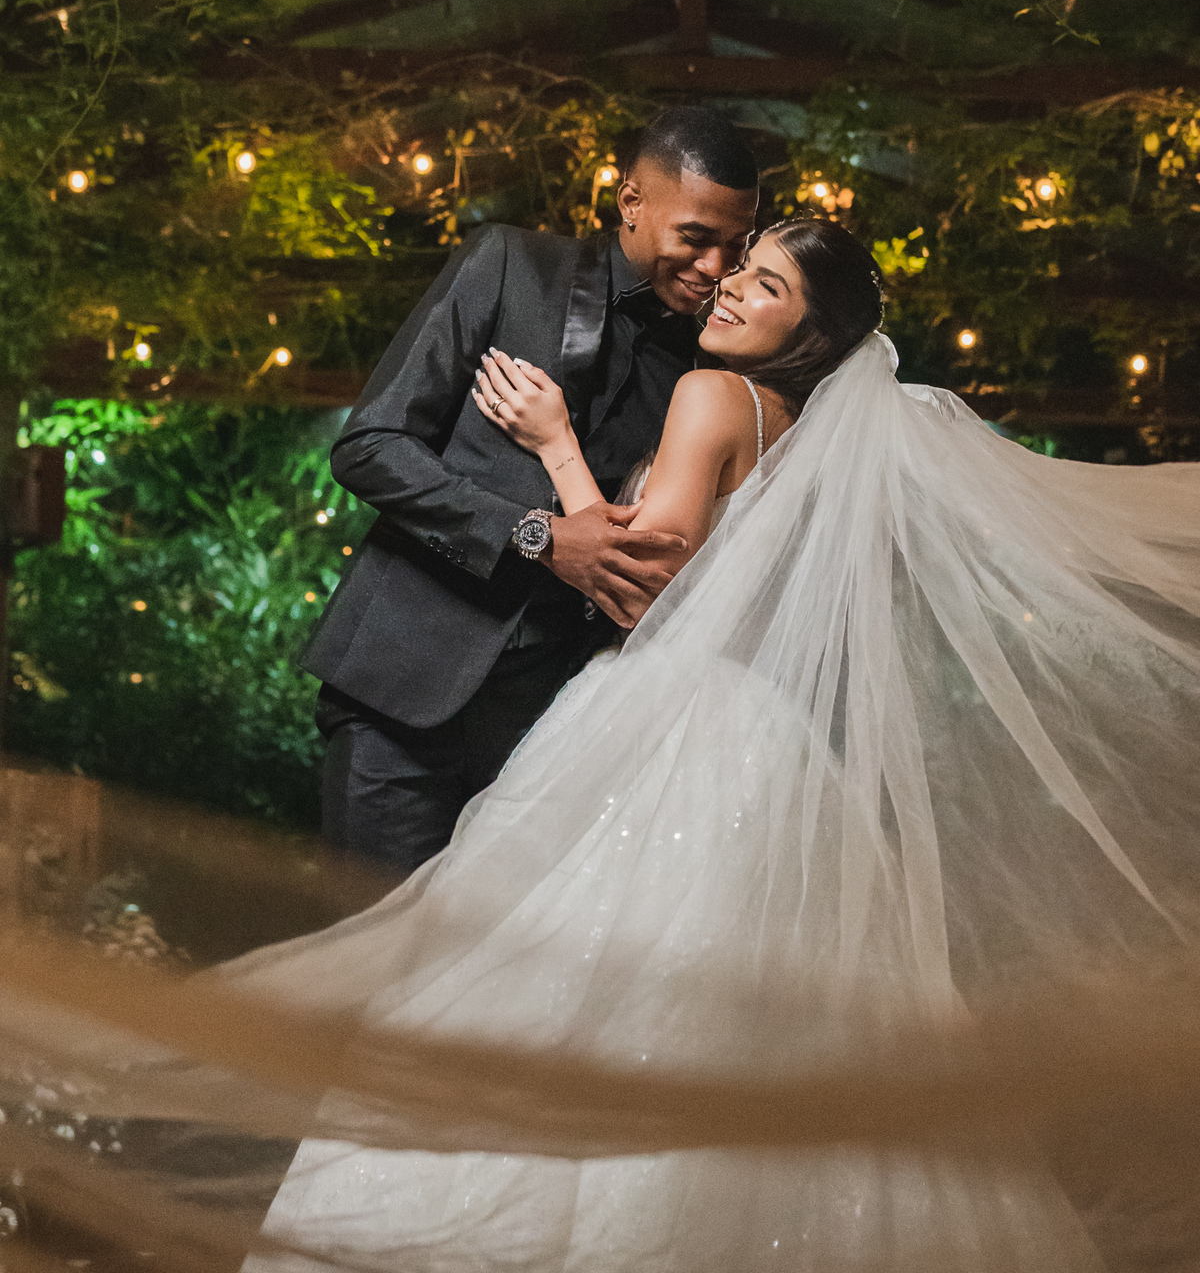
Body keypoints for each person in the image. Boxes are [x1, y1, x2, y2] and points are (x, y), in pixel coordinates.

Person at [230, 214, 1200, 1271]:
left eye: (767, 285)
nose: (732, 286)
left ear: (809, 335)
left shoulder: (709, 396)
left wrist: (557, 446)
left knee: (564, 985)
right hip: (769, 743)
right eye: (745, 267)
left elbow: (646, 596)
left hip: (669, 718)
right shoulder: (808, 432)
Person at [305, 106, 759, 878]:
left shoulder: (710, 365)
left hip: (551, 734)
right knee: (367, 941)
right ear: (631, 202)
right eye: (696, 236)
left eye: (736, 244)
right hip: (402, 697)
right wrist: (537, 536)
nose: (716, 266)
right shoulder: (511, 264)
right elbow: (371, 447)